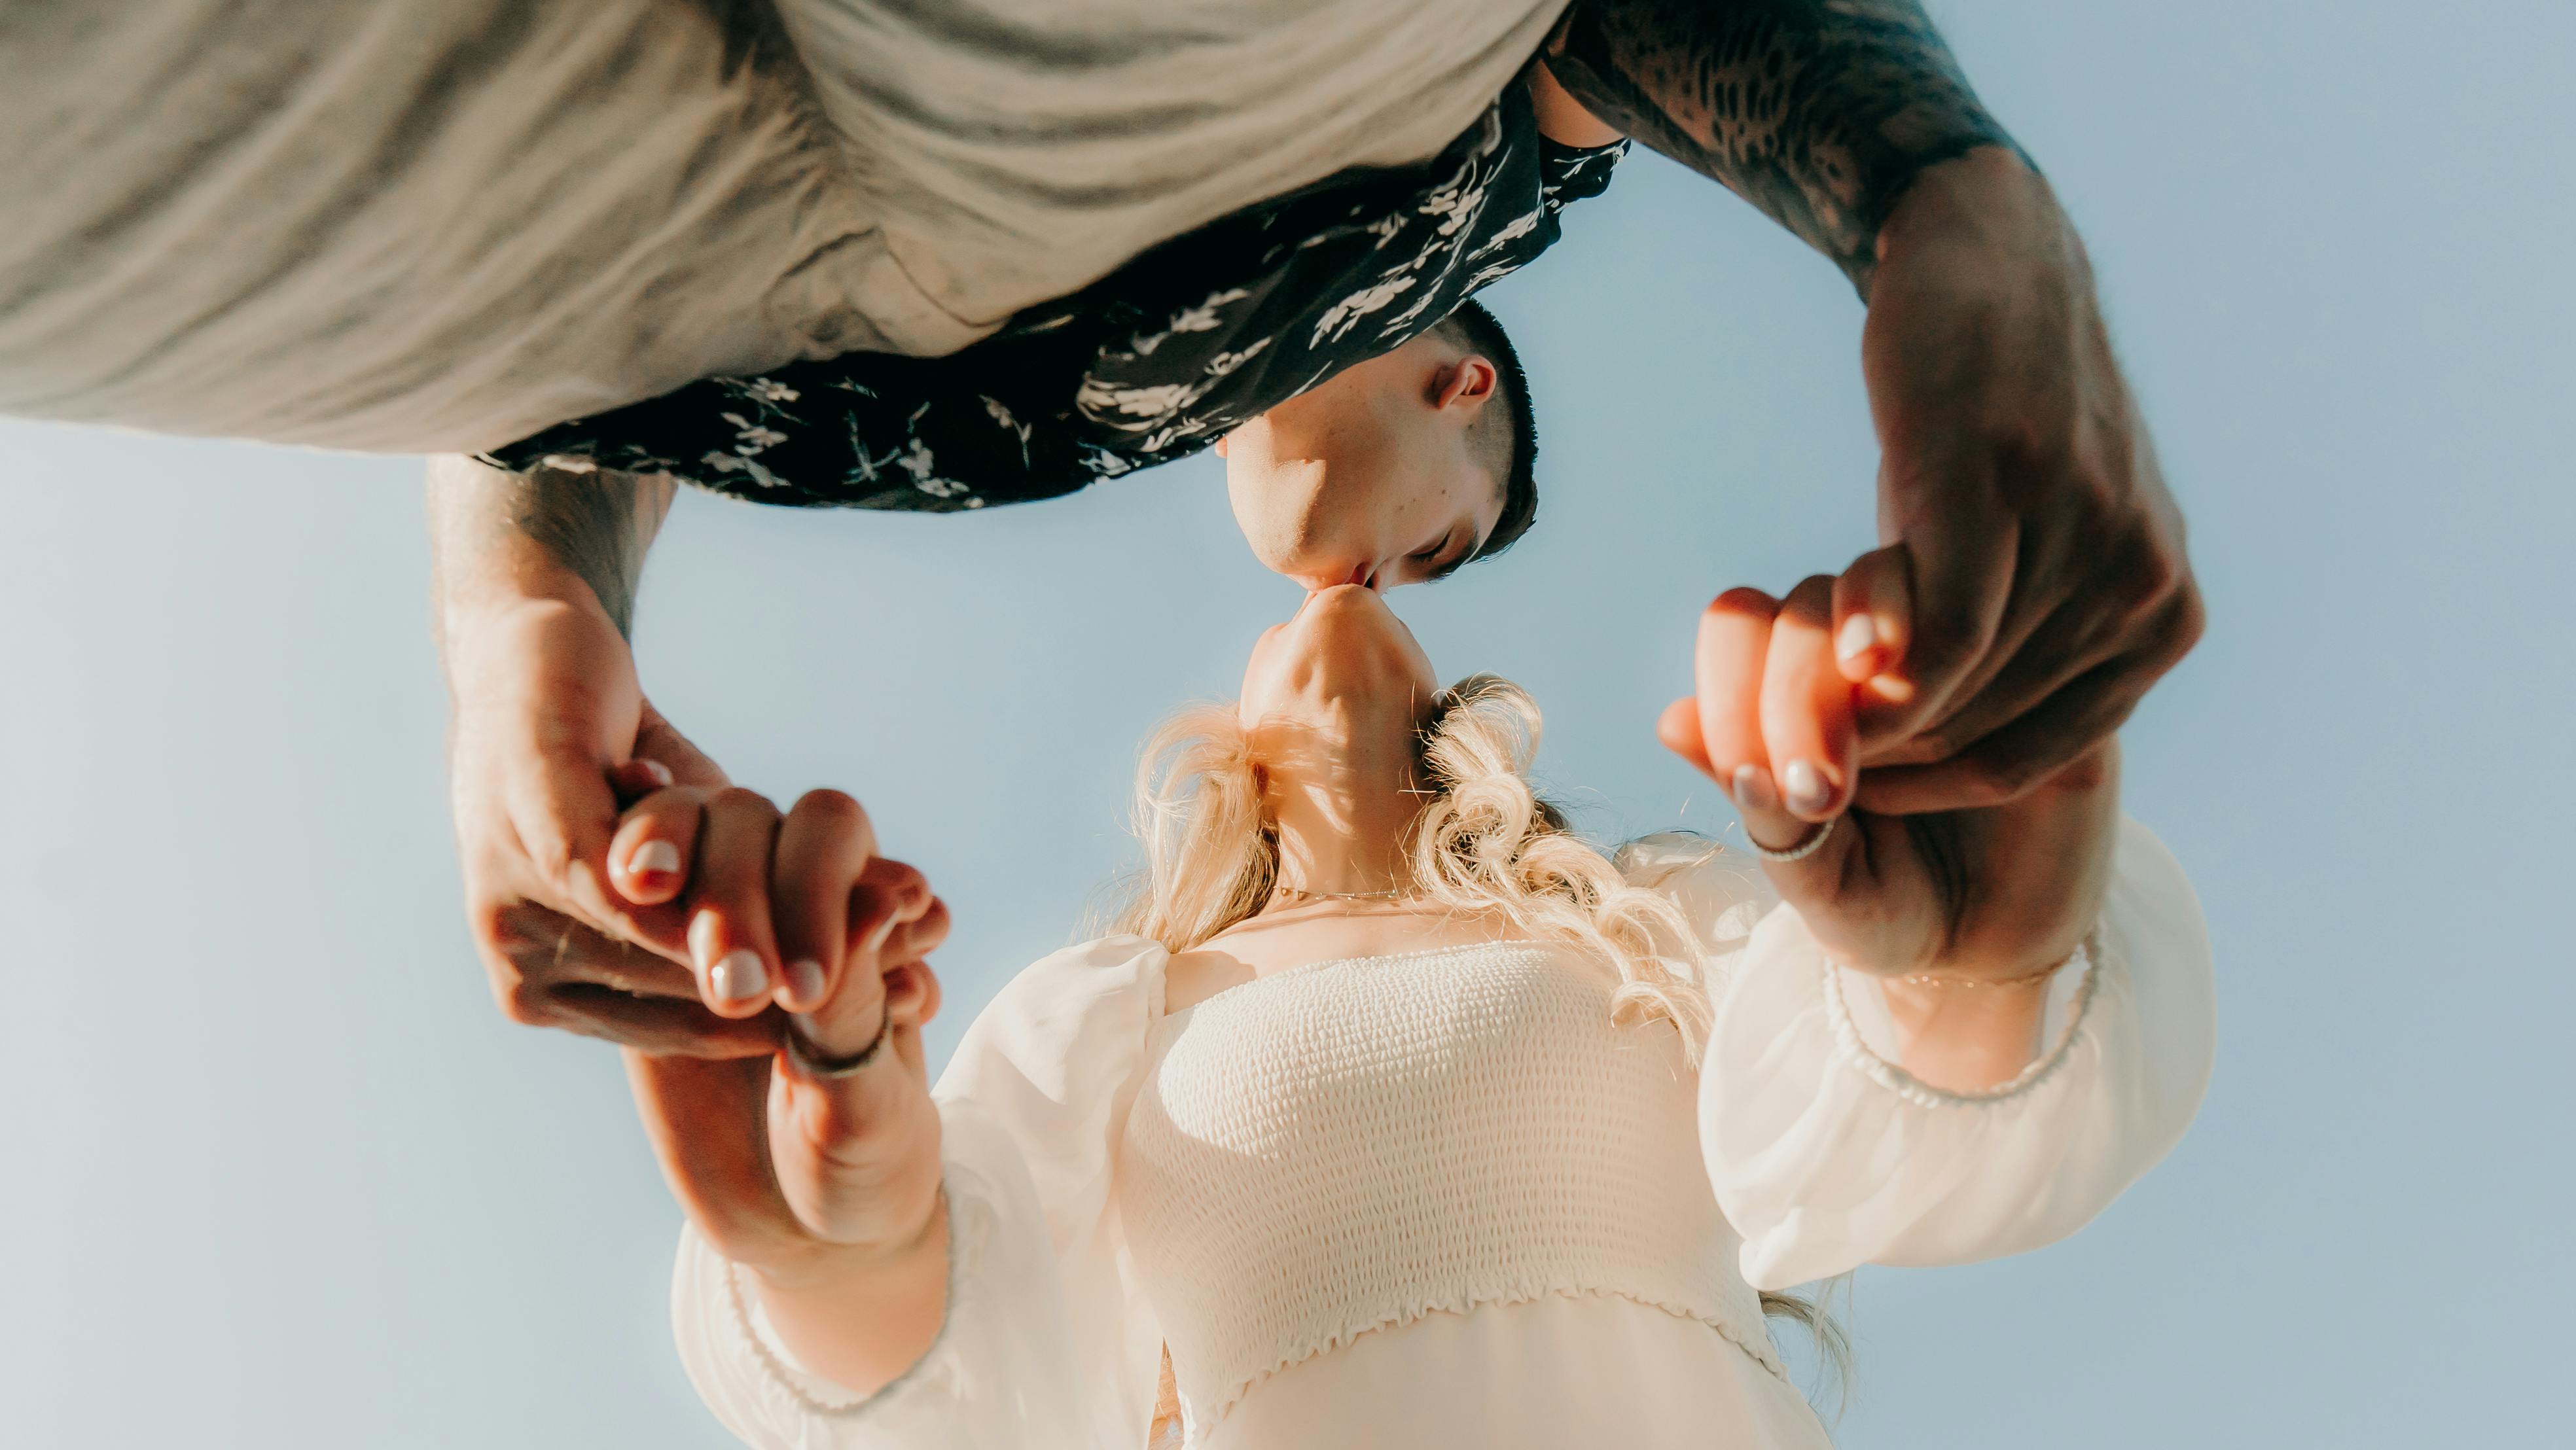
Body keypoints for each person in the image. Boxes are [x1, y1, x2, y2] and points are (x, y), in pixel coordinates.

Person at [436, 3, 2200, 1050]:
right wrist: (1950, 213)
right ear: (1463, 394)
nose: (1393, 592)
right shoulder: (1482, 194)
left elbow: (589, 377)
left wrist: (526, 629)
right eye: (1448, 547)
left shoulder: (1023, 445)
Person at [595, 580, 2214, 1447]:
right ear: (1223, 743)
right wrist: (817, 1226)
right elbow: (969, 1362)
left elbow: (1914, 1096)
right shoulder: (1116, 1008)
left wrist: (1981, 962)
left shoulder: (1648, 916)